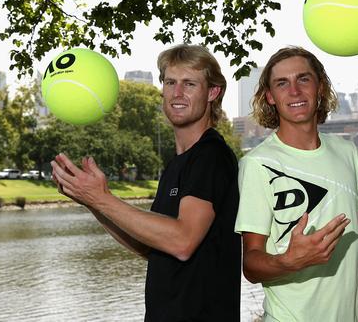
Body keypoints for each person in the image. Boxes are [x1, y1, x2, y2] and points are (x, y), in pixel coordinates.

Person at [51, 44, 241, 321]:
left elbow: (182, 241)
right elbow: (150, 246)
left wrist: (102, 199)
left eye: (189, 84)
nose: (177, 93)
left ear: (212, 92)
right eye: (170, 82)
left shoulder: (210, 155)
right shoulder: (178, 163)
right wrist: (93, 203)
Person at [234, 46, 358, 321]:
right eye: (282, 83)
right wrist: (289, 261)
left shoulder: (348, 153)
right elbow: (251, 264)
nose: (294, 91)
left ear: (321, 88)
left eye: (303, 79)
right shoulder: (257, 164)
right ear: (270, 97)